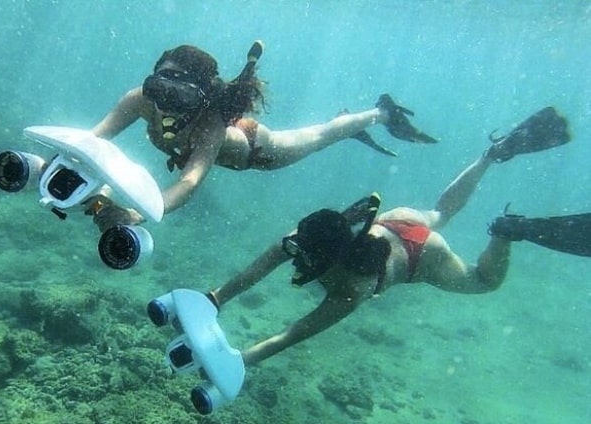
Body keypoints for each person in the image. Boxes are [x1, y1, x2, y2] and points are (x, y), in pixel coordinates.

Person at [204, 107, 581, 366]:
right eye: (297, 248)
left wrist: (241, 358)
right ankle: (490, 156)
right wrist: (215, 298)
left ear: (329, 259)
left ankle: (505, 232)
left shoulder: (354, 287)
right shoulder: (308, 237)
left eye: (303, 256)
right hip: (397, 222)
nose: (295, 256)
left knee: (483, 281)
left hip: (421, 256)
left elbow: (297, 331)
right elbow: (253, 272)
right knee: (439, 213)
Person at [90, 41, 436, 229]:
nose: (164, 103)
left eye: (178, 96)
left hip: (262, 151)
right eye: (159, 87)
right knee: (324, 134)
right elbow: (94, 140)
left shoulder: (210, 126)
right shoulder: (140, 100)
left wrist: (140, 213)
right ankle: (353, 122)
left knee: (319, 136)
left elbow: (189, 183)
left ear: (200, 97)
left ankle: (382, 113)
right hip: (239, 136)